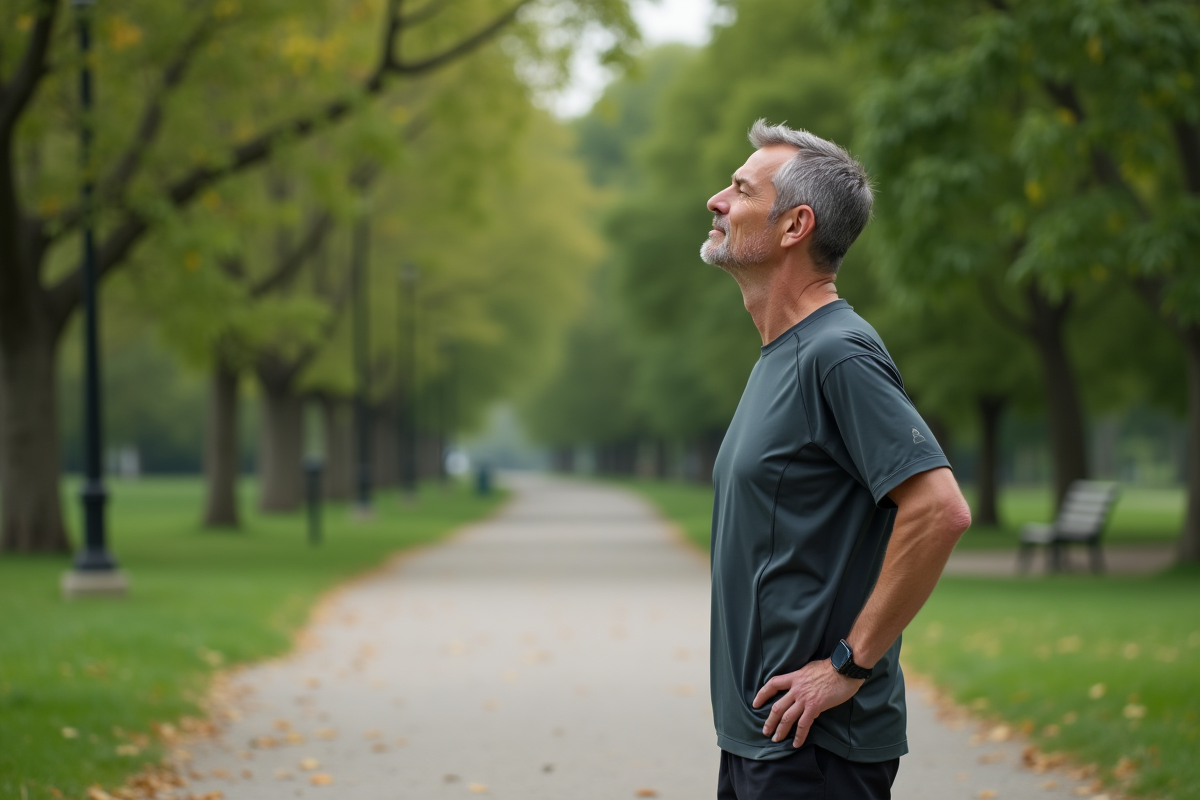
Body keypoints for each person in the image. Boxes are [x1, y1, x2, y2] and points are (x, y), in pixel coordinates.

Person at [700, 120, 972, 800]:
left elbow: (939, 509)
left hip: (815, 749)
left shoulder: (836, 353)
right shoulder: (782, 354)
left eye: (741, 190)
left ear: (795, 226)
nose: (717, 200)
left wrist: (848, 665)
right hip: (763, 737)